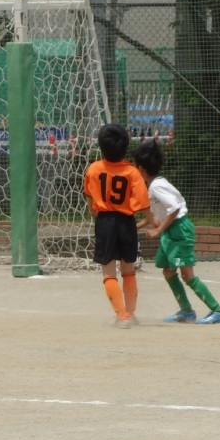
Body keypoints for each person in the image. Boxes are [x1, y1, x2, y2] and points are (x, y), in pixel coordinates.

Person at [133, 139, 220, 324]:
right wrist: (134, 227)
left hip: (178, 230)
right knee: (168, 271)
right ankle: (186, 311)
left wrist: (158, 230)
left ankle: (218, 311)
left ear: (141, 169)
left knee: (187, 275)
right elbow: (155, 216)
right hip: (171, 230)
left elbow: (175, 208)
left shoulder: (156, 186)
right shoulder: (156, 184)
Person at [83, 123, 149, 327]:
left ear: (101, 147)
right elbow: (143, 201)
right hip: (127, 222)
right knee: (128, 270)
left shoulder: (94, 168)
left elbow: (89, 196)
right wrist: (150, 218)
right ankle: (131, 313)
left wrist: (92, 210)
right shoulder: (132, 172)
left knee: (109, 272)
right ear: (126, 147)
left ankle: (121, 315)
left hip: (105, 221)